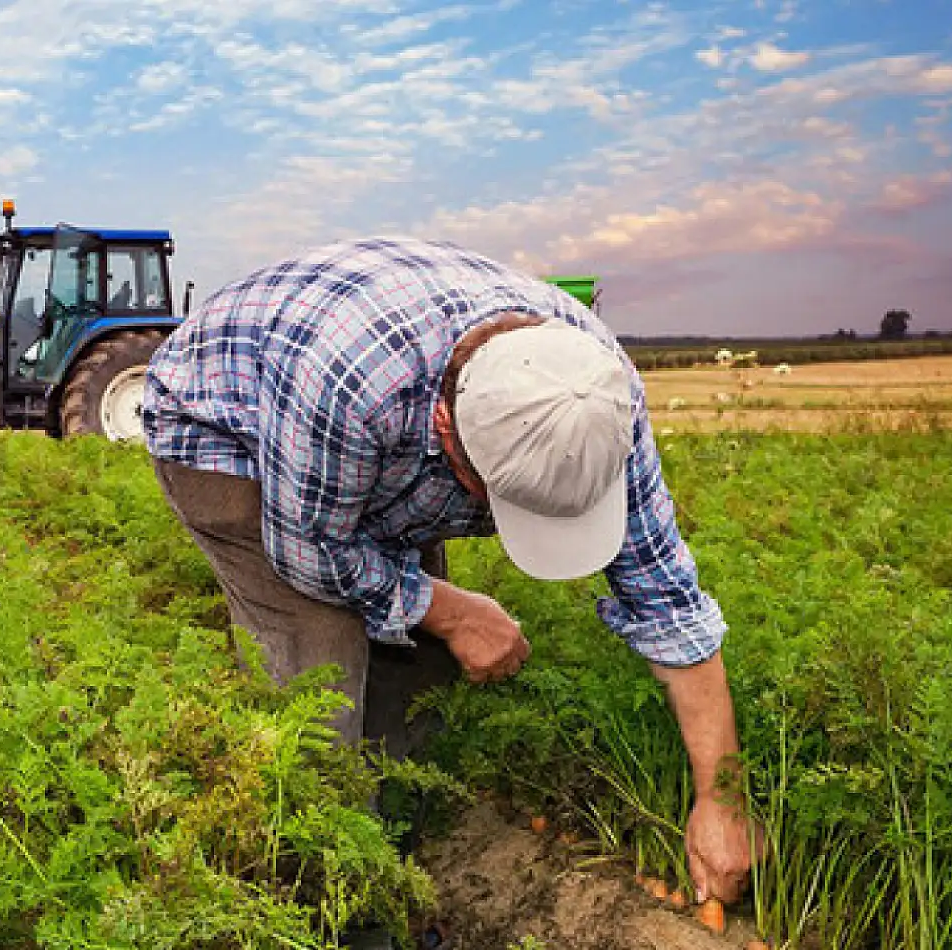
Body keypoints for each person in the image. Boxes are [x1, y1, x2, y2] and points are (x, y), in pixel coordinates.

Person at [140, 237, 756, 907]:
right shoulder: (352, 386)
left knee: (418, 664)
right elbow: (310, 552)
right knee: (320, 673)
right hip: (229, 429)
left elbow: (667, 600)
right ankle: (327, 896)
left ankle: (402, 850)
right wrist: (456, 610)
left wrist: (721, 799)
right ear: (446, 429)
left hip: (367, 436)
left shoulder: (595, 395)